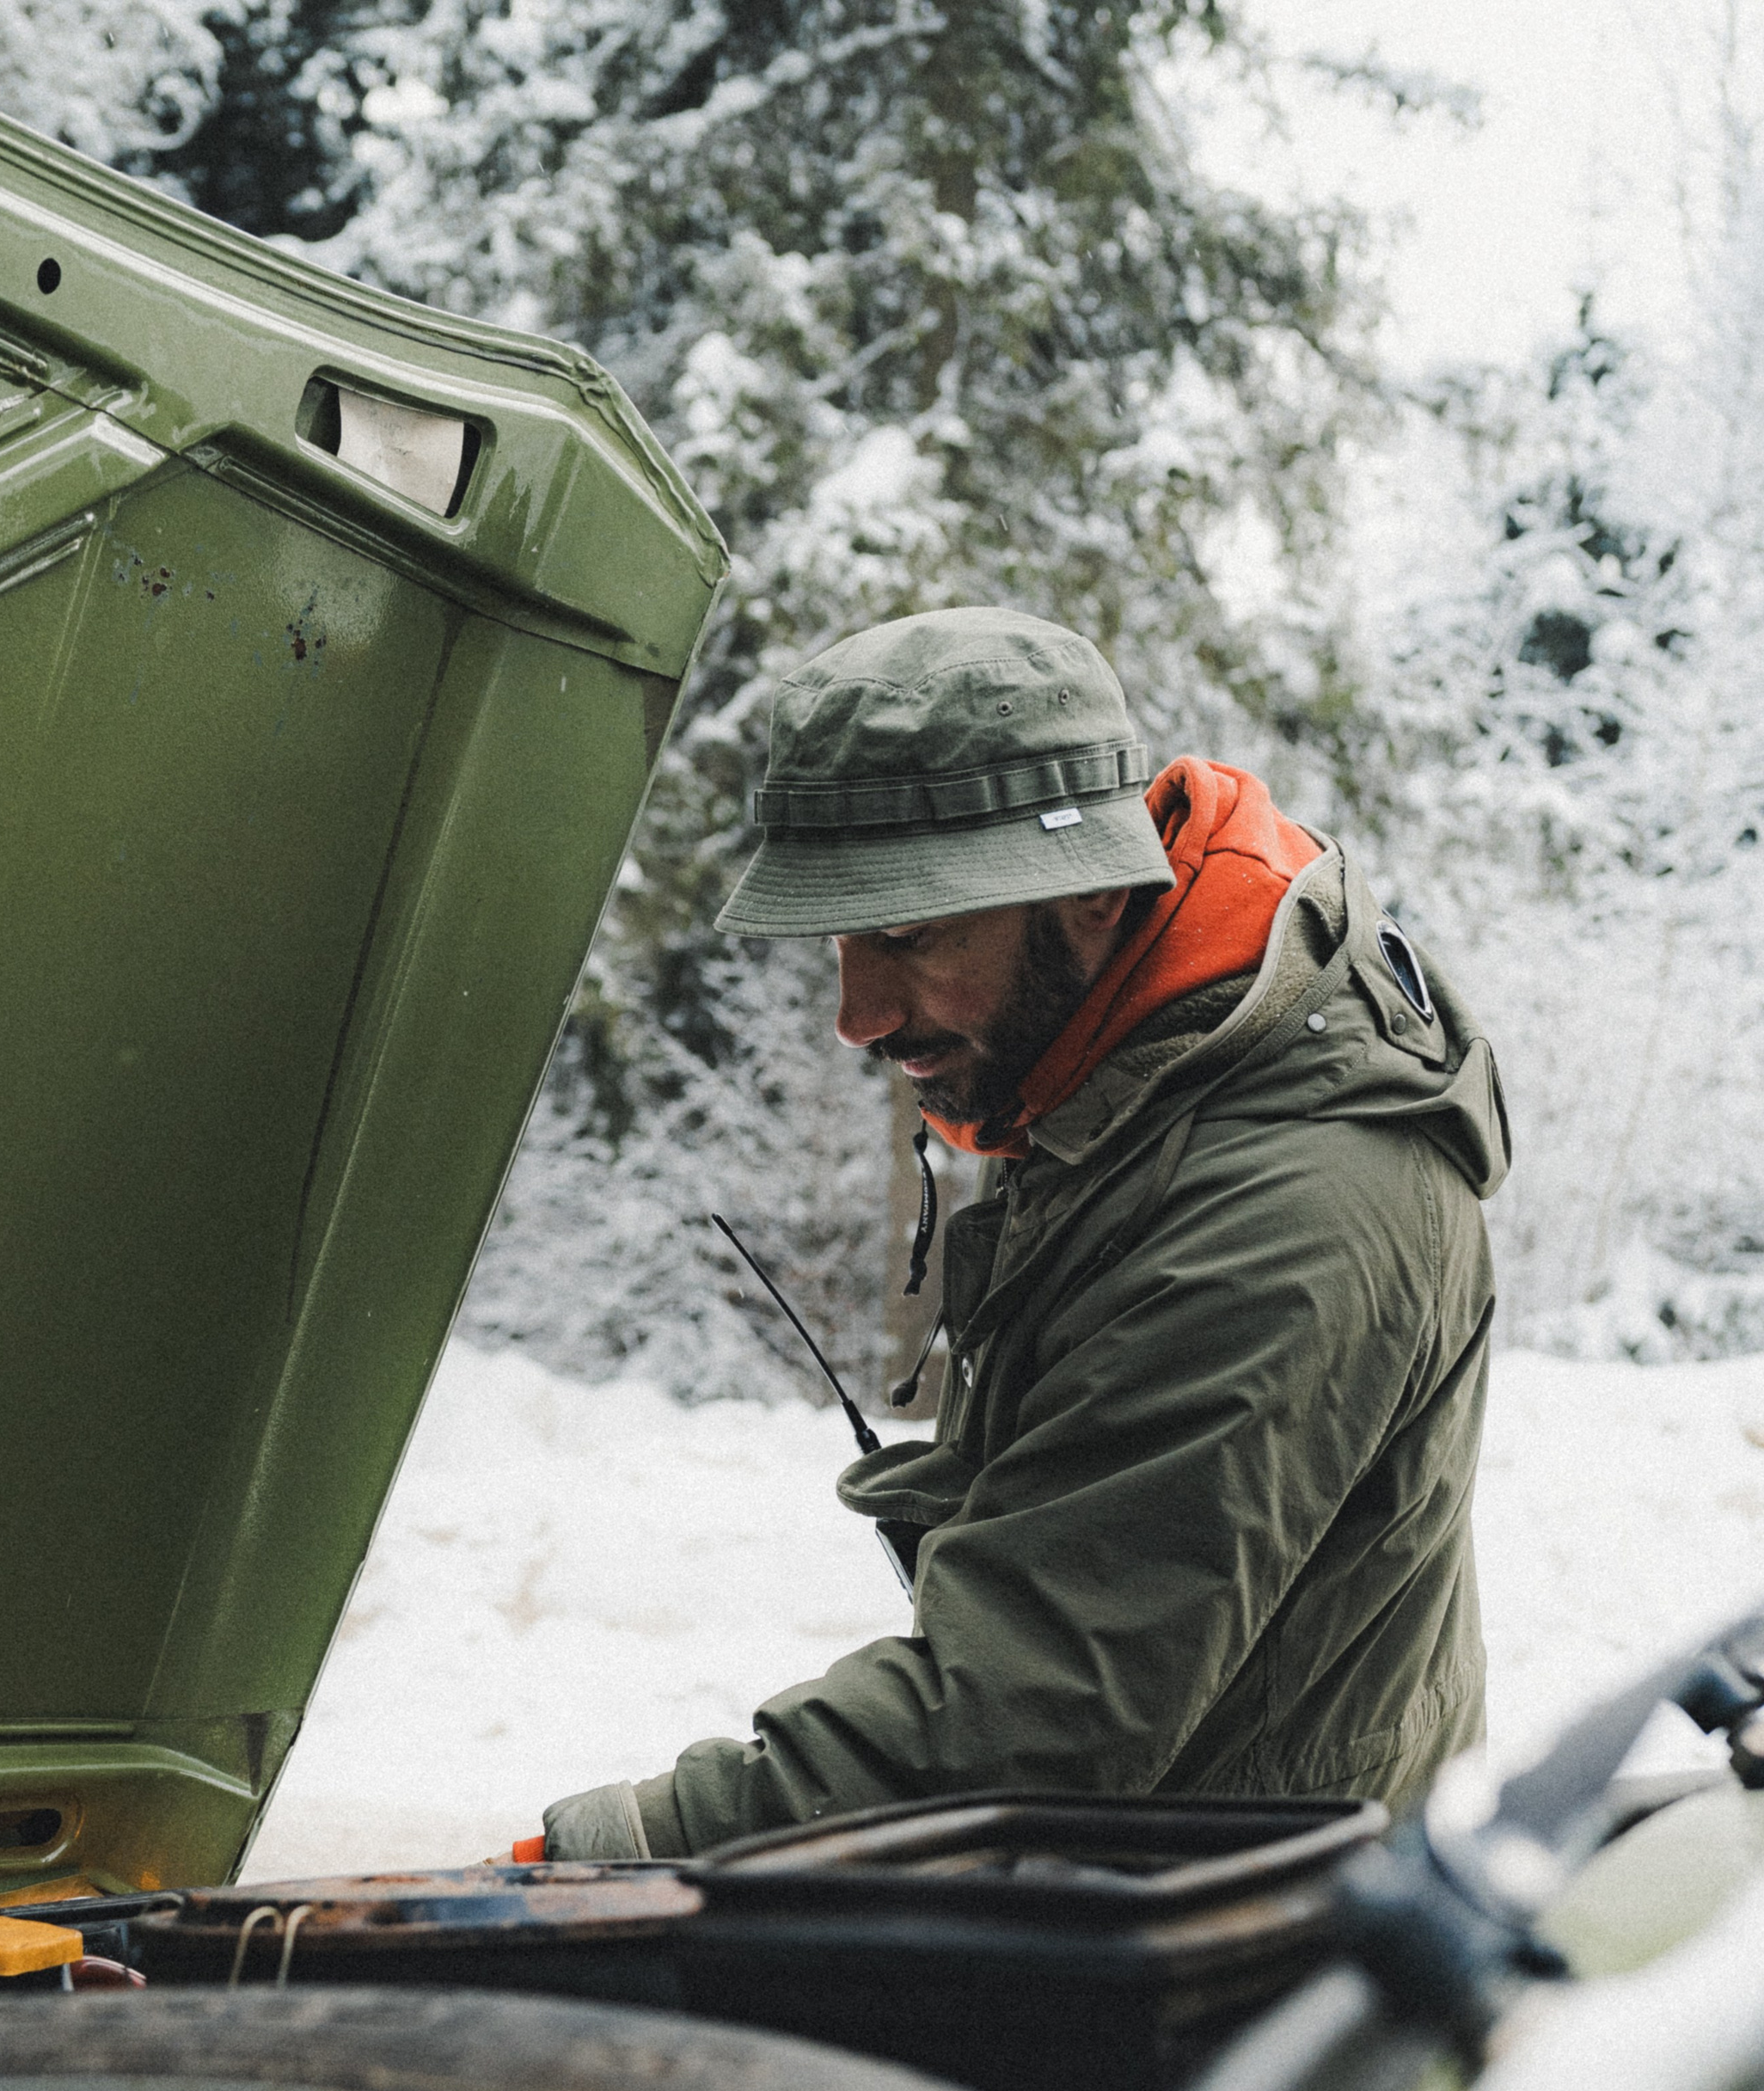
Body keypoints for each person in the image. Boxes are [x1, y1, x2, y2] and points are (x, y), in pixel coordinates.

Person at [538, 607, 1509, 1861]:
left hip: (1250, 1935)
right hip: (1156, 1885)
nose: (856, 1014)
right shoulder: (1134, 1086)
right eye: (842, 939)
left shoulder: (1281, 1205)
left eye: (908, 935)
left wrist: (625, 1845)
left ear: (1094, 889)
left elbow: (1030, 1715)